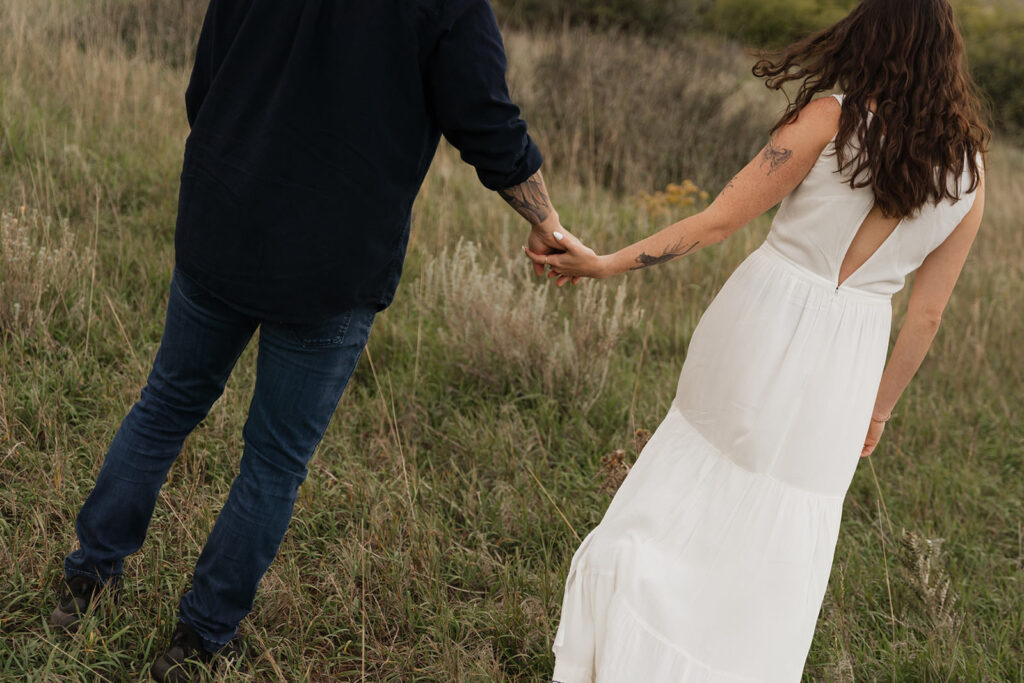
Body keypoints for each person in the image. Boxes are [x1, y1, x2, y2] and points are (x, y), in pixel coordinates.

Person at [49, 1, 574, 680]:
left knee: (167, 404)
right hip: (334, 259)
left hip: (225, 215)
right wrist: (545, 217)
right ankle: (198, 641)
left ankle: (85, 584)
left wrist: (232, 166)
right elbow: (485, 118)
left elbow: (206, 80)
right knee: (273, 459)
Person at [525, 0, 988, 679]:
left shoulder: (832, 117)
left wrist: (604, 263)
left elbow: (717, 221)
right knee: (782, 535)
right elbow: (927, 316)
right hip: (851, 358)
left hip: (764, 316)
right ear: (947, 54)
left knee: (691, 485)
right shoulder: (971, 175)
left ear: (871, 32)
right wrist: (880, 408)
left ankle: (631, 643)